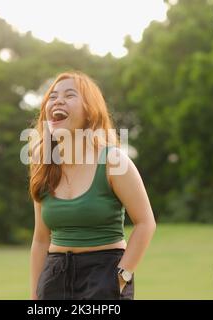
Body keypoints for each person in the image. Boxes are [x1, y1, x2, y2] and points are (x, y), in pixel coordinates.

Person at [28, 70, 156, 300]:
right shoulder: (43, 163)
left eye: (69, 95)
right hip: (54, 277)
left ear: (89, 111)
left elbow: (145, 223)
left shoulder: (112, 161)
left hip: (103, 274)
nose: (57, 100)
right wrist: (36, 295)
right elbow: (40, 239)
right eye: (53, 96)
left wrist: (120, 278)